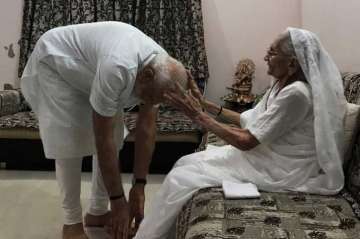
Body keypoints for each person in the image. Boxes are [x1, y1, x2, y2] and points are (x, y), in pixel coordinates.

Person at [133, 27, 347, 239]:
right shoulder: (281, 84)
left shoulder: (297, 94)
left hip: (283, 168)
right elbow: (249, 120)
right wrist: (204, 104)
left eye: (272, 53)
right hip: (268, 157)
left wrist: (199, 116)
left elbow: (246, 141)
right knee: (184, 163)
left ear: (291, 63)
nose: (265, 57)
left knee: (182, 178)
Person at [20, 21, 188, 239]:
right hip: (57, 63)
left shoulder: (163, 70)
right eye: (148, 97)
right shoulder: (118, 67)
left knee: (117, 137)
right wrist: (119, 202)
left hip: (92, 69)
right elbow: (102, 138)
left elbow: (146, 128)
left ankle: (97, 212)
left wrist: (139, 186)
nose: (146, 102)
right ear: (146, 76)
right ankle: (71, 223)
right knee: (69, 141)